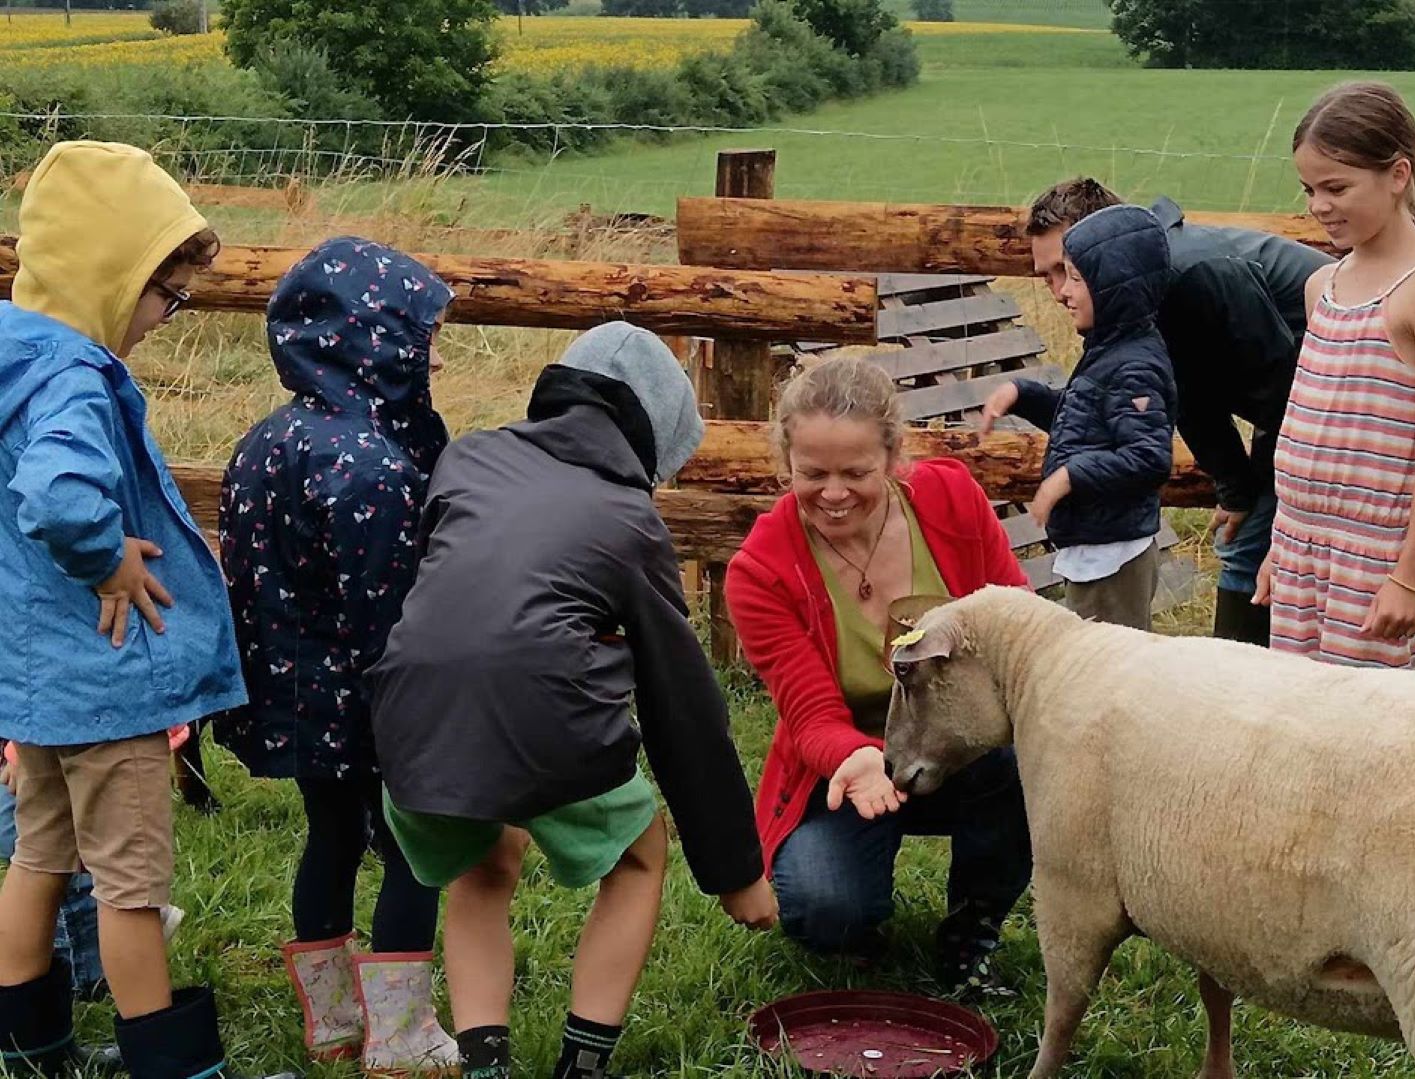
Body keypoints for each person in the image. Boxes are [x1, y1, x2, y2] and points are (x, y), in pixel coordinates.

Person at [369, 322, 776, 1077]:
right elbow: (682, 707)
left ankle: (485, 1065)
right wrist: (735, 872)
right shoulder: (627, 517)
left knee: (481, 863)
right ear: (654, 438)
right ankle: (580, 1066)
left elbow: (454, 595)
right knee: (639, 854)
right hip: (543, 720)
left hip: (412, 717)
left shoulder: (468, 457)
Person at [0, 141, 292, 1078]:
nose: (169, 314)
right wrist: (109, 559)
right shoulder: (72, 379)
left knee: (38, 857)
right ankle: (173, 1066)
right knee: (129, 886)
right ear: (109, 275)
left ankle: (32, 1048)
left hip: (40, 680)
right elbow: (57, 498)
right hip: (109, 681)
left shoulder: (14, 354)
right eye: (166, 293)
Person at [216, 237, 459, 1067]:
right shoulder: (372, 466)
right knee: (413, 848)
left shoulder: (263, 440)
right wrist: (423, 704)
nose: (430, 358)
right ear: (371, 340)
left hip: (291, 695)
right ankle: (401, 1034)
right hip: (369, 698)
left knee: (330, 834)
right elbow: (389, 612)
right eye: (419, 339)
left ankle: (333, 1021)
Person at [726, 356, 1033, 993]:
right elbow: (810, 714)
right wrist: (857, 758)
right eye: (813, 474)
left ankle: (973, 927)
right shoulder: (760, 570)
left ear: (893, 456)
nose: (834, 494)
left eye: (856, 473)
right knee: (824, 908)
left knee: (1024, 760)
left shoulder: (952, 500)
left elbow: (1018, 624)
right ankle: (856, 920)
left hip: (964, 747)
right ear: (786, 463)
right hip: (848, 766)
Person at [1024, 180, 1332, 645]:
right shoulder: (1143, 298)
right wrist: (1236, 490)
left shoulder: (1194, 273)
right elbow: (1189, 396)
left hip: (1335, 387)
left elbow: (1281, 389)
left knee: (1250, 551)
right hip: (1292, 395)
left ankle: (1235, 683)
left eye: (1066, 269)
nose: (1058, 290)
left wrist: (1275, 501)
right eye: (1047, 275)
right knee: (1249, 542)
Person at [1251, 83, 1415, 672]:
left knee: (1374, 720)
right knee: (1304, 715)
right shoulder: (1321, 287)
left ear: (1398, 175)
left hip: (1375, 566)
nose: (1319, 206)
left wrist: (1409, 576)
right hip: (1301, 555)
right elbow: (1309, 423)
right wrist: (1280, 545)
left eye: (1337, 188)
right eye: (1309, 190)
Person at [981, 204, 1177, 631]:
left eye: (1075, 278)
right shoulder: (1109, 351)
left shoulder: (1133, 366)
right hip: (1097, 545)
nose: (1062, 293)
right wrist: (1024, 396)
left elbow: (1149, 457)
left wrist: (1069, 476)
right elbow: (1086, 425)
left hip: (1112, 555)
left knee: (1108, 664)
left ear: (1112, 285)